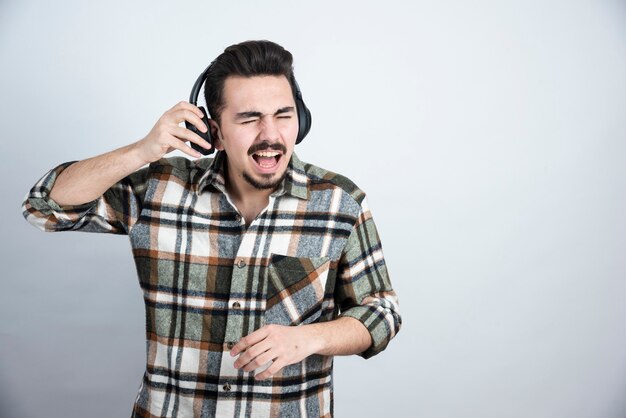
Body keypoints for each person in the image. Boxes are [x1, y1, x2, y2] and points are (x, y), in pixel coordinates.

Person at [22, 40, 401, 418]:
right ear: (213, 134)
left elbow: (382, 312)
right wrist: (143, 150)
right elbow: (44, 207)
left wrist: (310, 337)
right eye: (250, 118)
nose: (270, 134)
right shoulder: (160, 190)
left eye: (283, 115)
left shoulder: (339, 202)